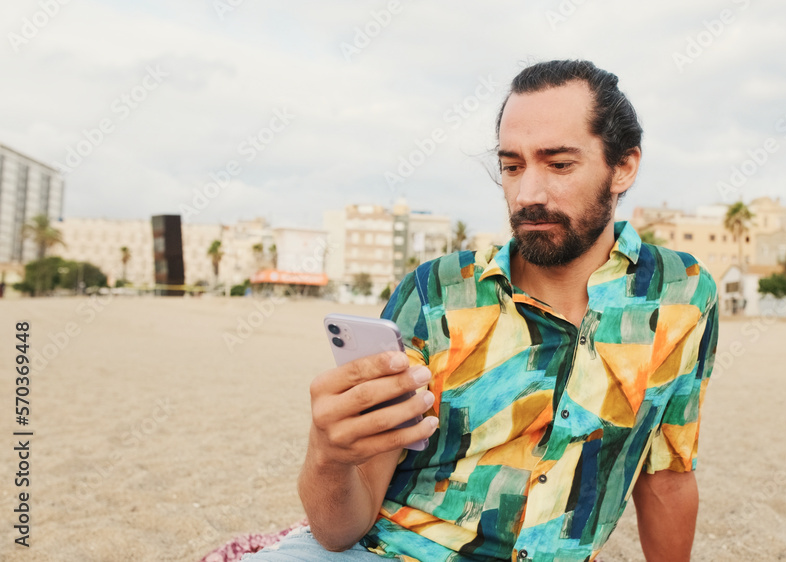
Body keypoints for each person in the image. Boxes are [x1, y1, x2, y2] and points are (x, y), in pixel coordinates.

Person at [245, 59, 718, 562]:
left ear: (623, 166)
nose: (528, 194)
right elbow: (340, 529)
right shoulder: (437, 292)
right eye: (512, 166)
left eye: (559, 164)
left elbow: (666, 476)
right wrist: (327, 455)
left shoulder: (680, 294)